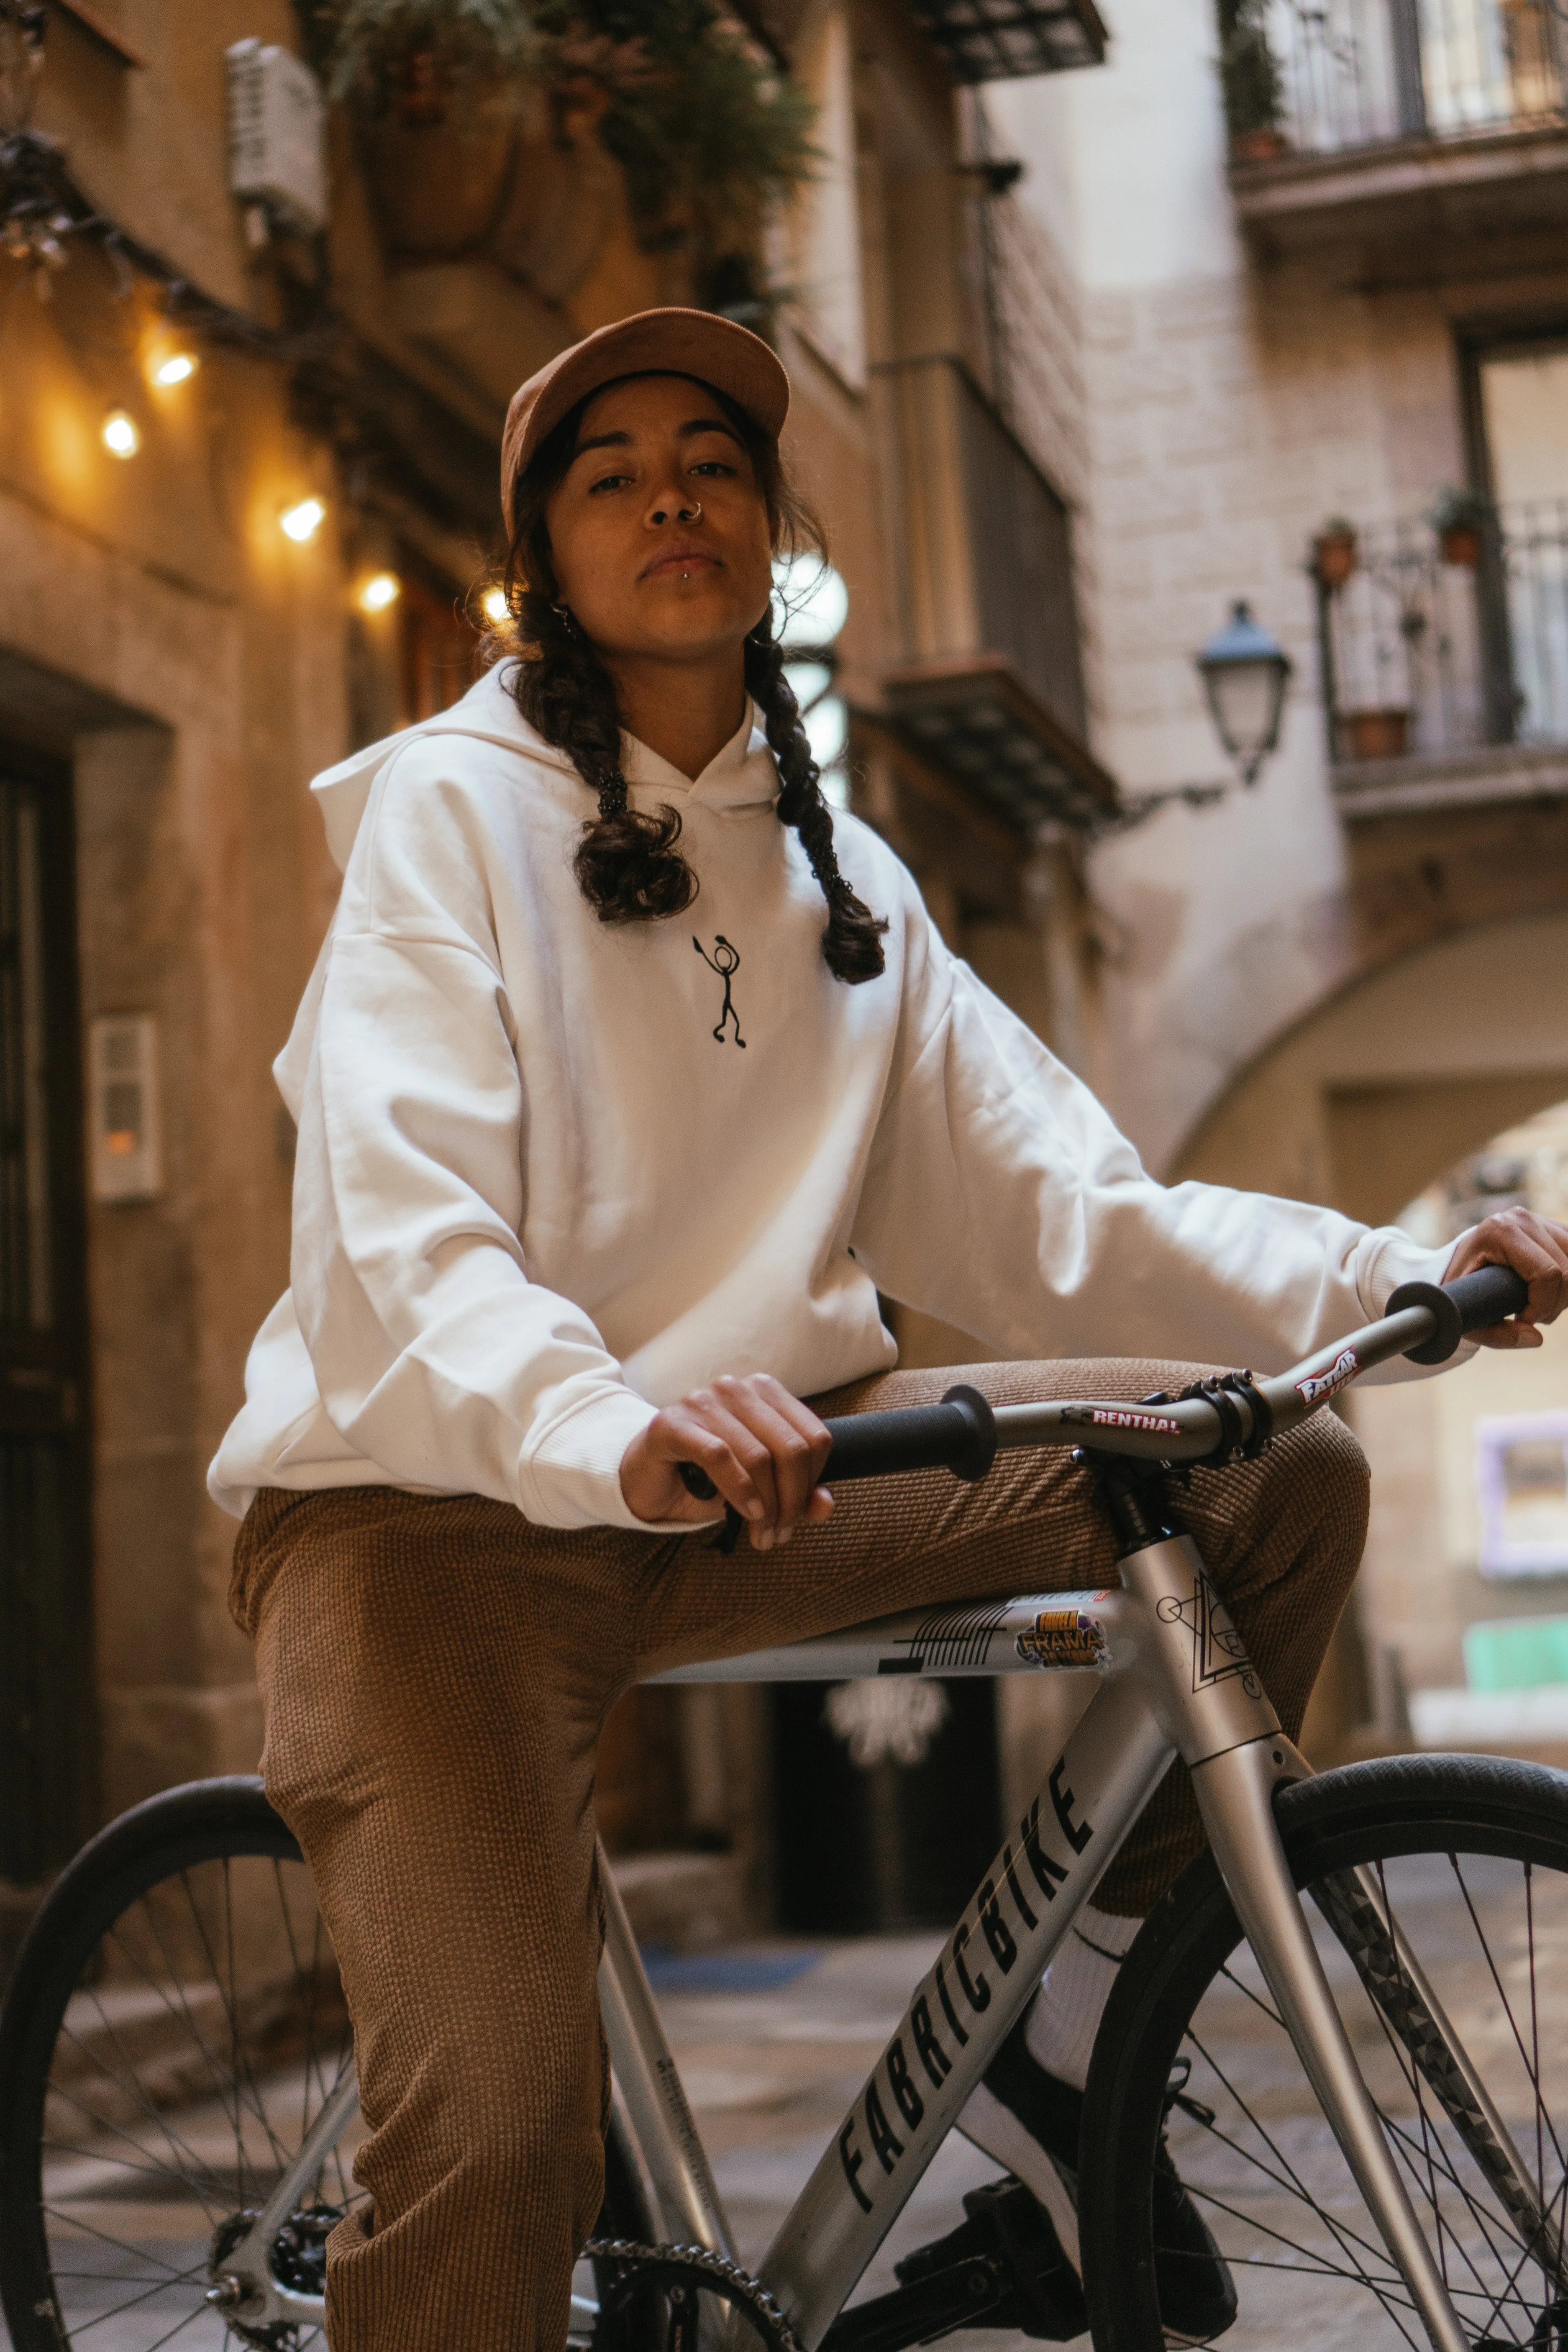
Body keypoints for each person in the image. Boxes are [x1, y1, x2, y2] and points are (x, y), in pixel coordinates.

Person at [210, 307, 1568, 2352]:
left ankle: (1071, 2066)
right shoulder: (445, 818)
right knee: (498, 2148)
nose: (674, 490)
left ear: (765, 533)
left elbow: (1069, 1213)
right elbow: (405, 1236)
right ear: (545, 566)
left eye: (716, 459)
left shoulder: (846, 876)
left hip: (792, 1465)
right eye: (611, 470)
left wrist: (1388, 1272)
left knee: (1270, 1459)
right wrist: (605, 1420)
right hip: (430, 1522)